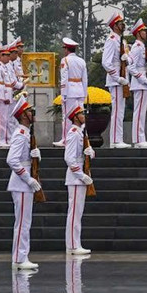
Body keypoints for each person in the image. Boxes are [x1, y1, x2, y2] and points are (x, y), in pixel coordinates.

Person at [5, 99, 42, 271]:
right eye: (30, 111)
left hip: (24, 182)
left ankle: (22, 256)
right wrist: (28, 179)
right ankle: (20, 258)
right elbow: (12, 160)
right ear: (23, 115)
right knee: (22, 223)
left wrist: (36, 156)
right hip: (21, 184)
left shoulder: (26, 133)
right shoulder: (20, 133)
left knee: (25, 222)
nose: (33, 114)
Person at [62, 103, 94, 257]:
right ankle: (73, 245)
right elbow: (69, 158)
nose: (84, 116)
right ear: (75, 117)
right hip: (75, 178)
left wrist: (90, 152)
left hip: (80, 174)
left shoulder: (81, 132)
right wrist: (81, 176)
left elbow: (85, 154)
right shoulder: (74, 133)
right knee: (74, 212)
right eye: (81, 114)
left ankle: (76, 243)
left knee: (78, 212)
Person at [100, 14, 128, 148]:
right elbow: (106, 62)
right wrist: (117, 78)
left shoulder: (121, 40)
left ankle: (119, 139)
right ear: (115, 25)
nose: (123, 25)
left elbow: (128, 59)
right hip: (116, 80)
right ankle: (115, 141)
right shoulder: (111, 39)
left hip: (122, 78)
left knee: (120, 110)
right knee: (117, 110)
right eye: (120, 23)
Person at [126, 22, 147, 147]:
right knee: (139, 112)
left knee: (142, 111)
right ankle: (138, 139)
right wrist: (143, 79)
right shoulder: (137, 47)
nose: (146, 33)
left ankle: (140, 138)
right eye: (144, 31)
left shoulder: (141, 46)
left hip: (142, 82)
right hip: (139, 83)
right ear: (138, 33)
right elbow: (131, 67)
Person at [59, 36, 88, 127]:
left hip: (69, 92)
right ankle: (82, 136)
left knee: (67, 116)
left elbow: (64, 78)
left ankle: (66, 139)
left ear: (67, 49)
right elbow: (85, 79)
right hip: (80, 91)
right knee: (80, 115)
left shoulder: (65, 60)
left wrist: (63, 94)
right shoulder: (81, 61)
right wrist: (84, 94)